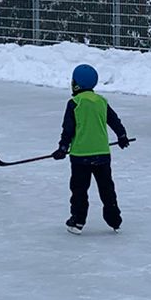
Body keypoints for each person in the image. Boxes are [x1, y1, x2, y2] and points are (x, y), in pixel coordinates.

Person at [54, 62, 128, 232]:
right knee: (107, 189)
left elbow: (68, 129)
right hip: (102, 154)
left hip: (81, 155)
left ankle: (78, 221)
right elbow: (114, 120)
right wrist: (122, 136)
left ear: (76, 83)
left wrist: (63, 147)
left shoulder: (75, 102)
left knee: (79, 190)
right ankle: (115, 221)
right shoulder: (101, 101)